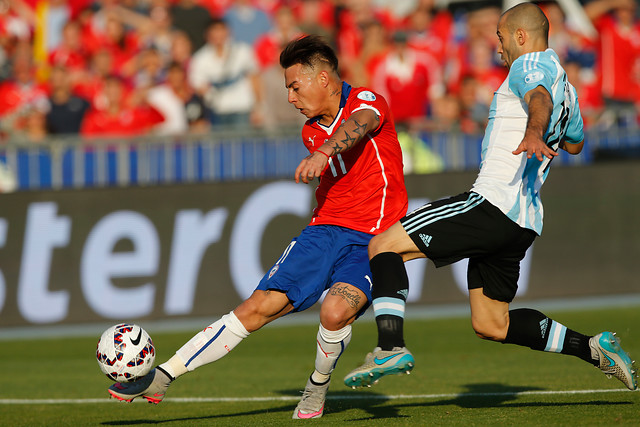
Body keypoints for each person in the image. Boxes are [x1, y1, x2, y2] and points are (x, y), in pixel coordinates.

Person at [107, 35, 409, 419]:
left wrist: (324, 151)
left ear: (323, 79)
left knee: (334, 313)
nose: (290, 98)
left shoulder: (366, 101)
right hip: (324, 231)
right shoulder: (311, 130)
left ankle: (317, 386)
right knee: (256, 307)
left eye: (294, 87)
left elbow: (361, 124)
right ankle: (163, 376)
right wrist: (321, 148)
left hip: (375, 239)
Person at [343, 2, 638, 392]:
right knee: (491, 323)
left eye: (501, 38)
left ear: (521, 36)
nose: (498, 47)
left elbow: (538, 98)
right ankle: (594, 349)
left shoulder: (529, 65)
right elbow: (576, 143)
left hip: (491, 203)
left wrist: (533, 131)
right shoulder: (567, 87)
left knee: (383, 246)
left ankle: (389, 347)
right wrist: (545, 126)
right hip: (522, 222)